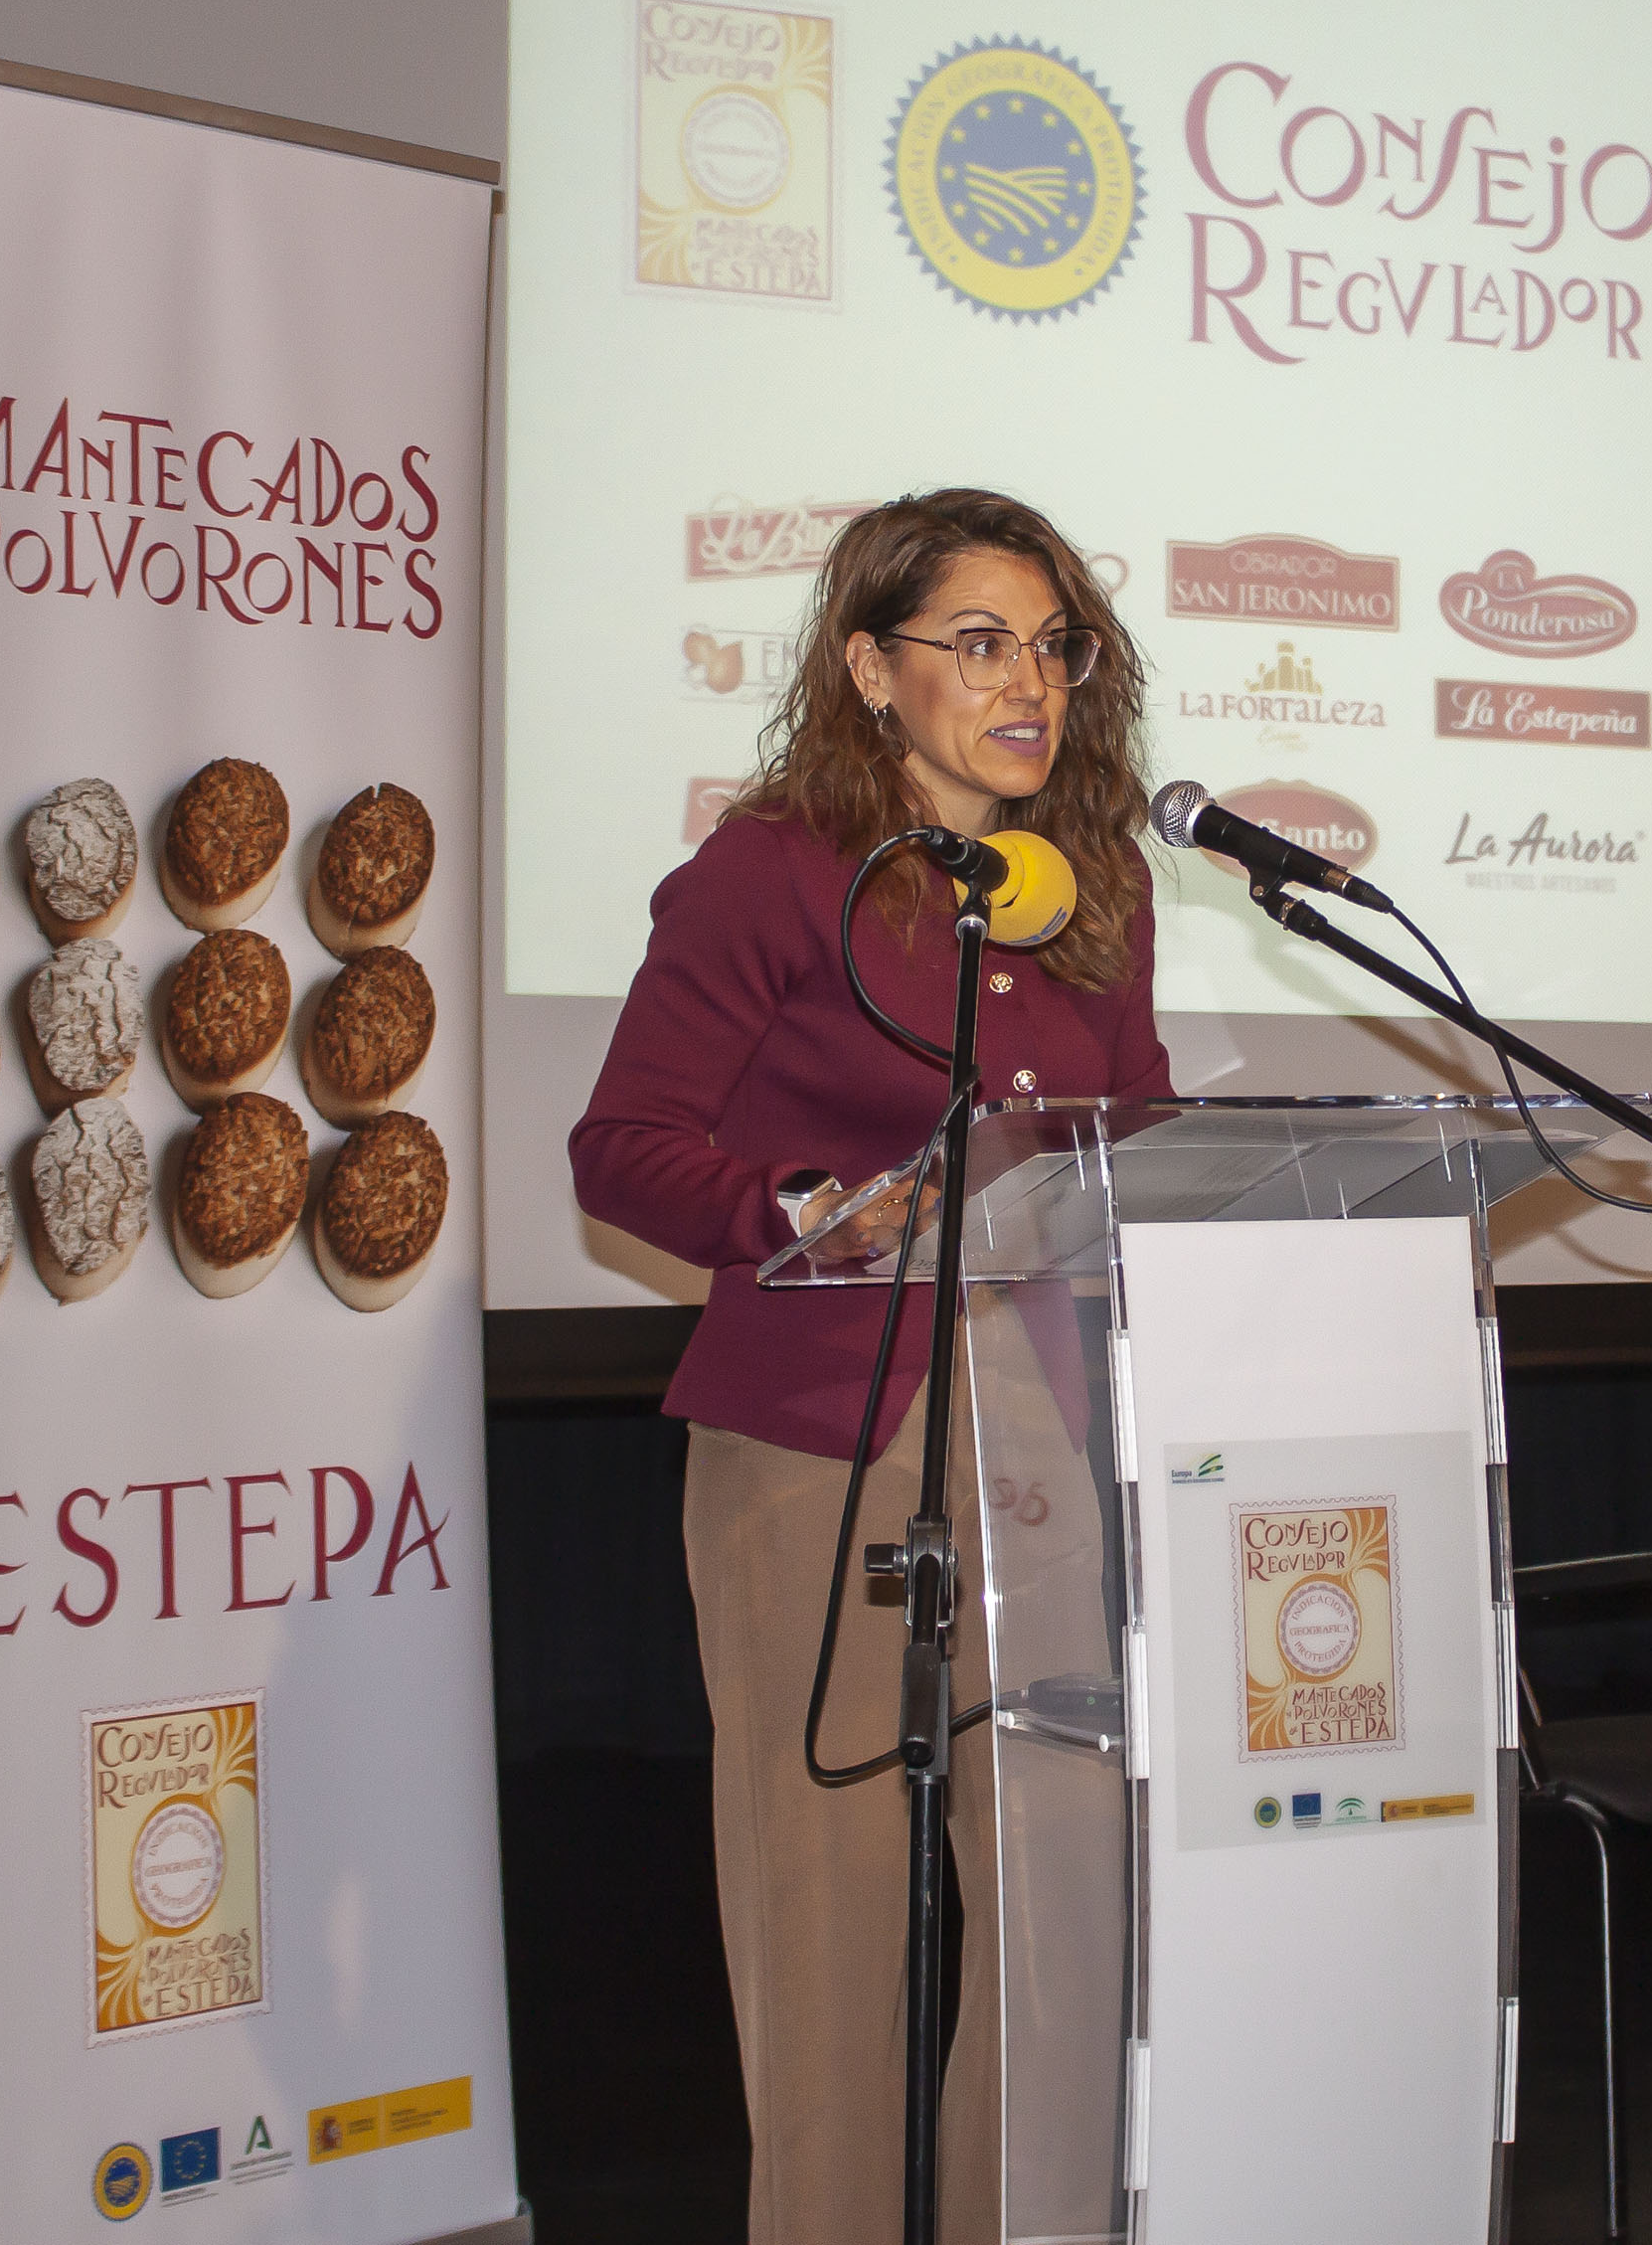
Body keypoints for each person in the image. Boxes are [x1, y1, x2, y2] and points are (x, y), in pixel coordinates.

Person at [572, 489, 1169, 2244]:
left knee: (1071, 1889)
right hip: (820, 1433)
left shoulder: (1092, 886)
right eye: (977, 642)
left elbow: (1127, 1136)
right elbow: (622, 1148)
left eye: (1052, 646)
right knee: (825, 1909)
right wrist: (805, 1205)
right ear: (864, 667)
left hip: (1035, 1425)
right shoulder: (770, 870)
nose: (1027, 681)